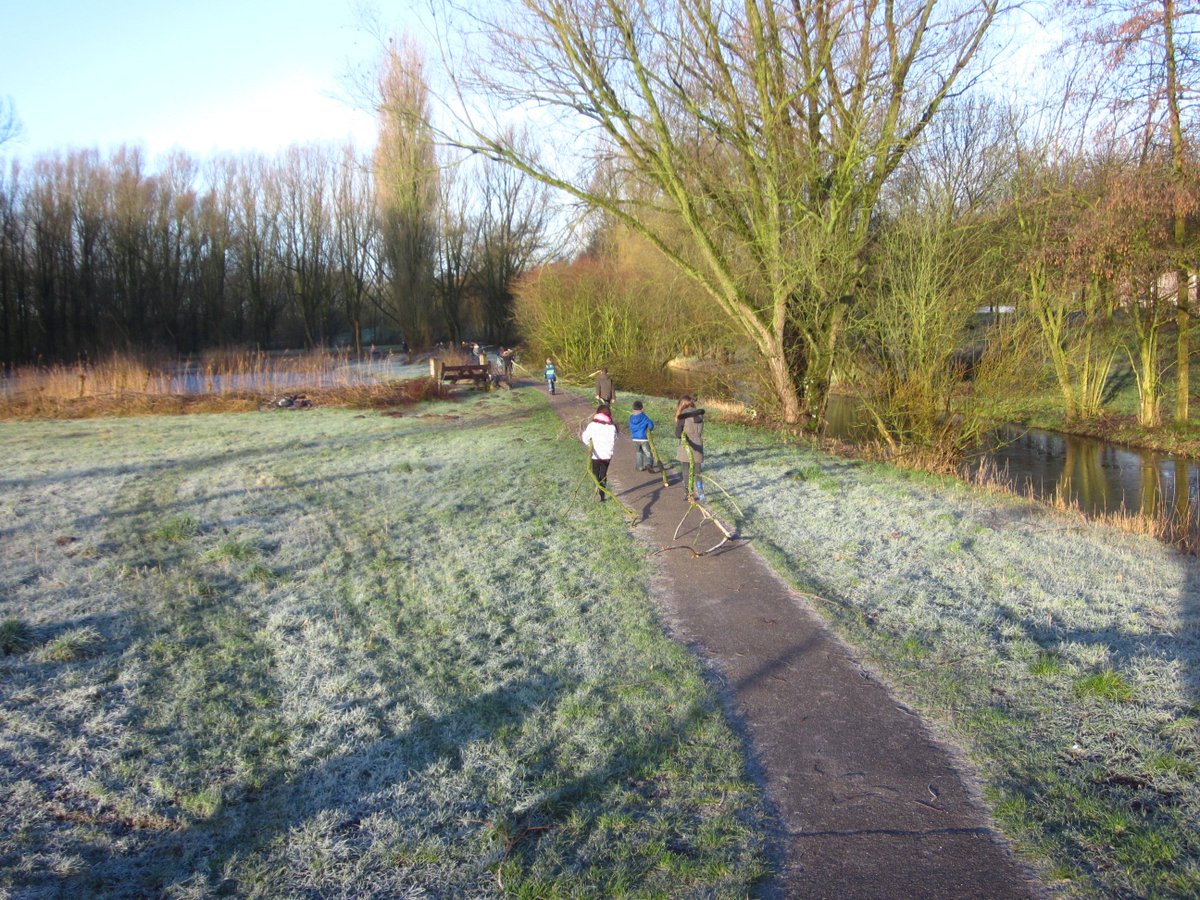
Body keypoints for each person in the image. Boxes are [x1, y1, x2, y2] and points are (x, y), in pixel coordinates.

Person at [581, 404, 617, 501]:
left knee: (595, 472)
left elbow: (585, 438)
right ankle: (602, 495)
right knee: (603, 473)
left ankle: (597, 488)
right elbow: (614, 438)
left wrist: (590, 445)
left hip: (596, 454)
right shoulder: (612, 427)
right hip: (607, 454)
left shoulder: (592, 426)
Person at [675, 395, 706, 501]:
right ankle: (701, 492)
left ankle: (688, 492)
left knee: (686, 470)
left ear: (682, 404)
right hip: (698, 444)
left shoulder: (682, 416)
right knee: (698, 471)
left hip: (686, 445)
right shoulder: (700, 415)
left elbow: (678, 434)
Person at [629, 400, 655, 472]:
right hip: (643, 438)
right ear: (642, 408)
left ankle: (639, 466)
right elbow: (650, 426)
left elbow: (630, 426)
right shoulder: (644, 417)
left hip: (635, 438)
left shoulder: (631, 417)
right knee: (647, 452)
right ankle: (648, 464)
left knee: (639, 452)